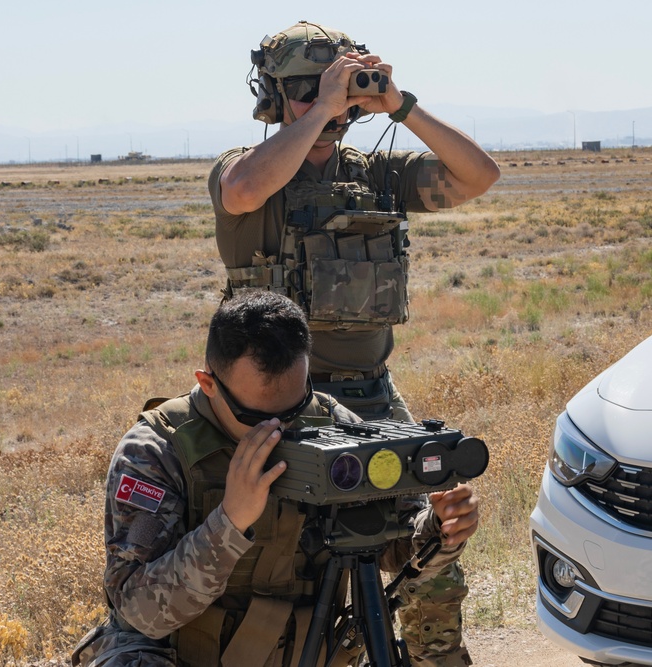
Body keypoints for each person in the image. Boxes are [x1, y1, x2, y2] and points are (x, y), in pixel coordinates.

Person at [208, 21, 499, 665]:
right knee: (278, 569)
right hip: (278, 405)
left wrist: (402, 105)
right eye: (308, 91)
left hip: (371, 401)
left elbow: (479, 175)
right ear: (276, 95)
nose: (329, 104)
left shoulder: (378, 175)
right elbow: (244, 191)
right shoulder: (247, 170)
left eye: (337, 89)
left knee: (434, 544)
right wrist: (320, 112)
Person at [72, 290, 480, 666]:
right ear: (208, 384)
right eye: (256, 417)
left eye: (295, 406)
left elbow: (394, 550)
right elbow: (139, 611)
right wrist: (229, 522)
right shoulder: (155, 452)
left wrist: (441, 529)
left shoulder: (331, 422)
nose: (279, 428)